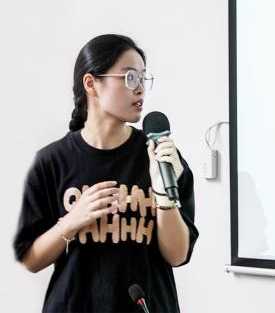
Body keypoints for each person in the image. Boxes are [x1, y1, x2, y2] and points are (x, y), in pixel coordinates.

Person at [13, 34, 198, 312]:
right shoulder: (51, 161)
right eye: (130, 77)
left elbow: (177, 255)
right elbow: (31, 259)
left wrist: (164, 196)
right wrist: (71, 222)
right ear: (91, 84)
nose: (140, 89)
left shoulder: (161, 157)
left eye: (143, 78)